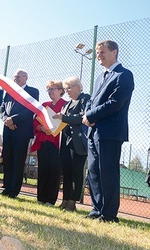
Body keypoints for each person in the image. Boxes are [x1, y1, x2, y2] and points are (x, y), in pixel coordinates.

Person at [82, 40, 134, 223]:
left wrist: (91, 115)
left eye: (102, 52)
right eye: (97, 52)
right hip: (93, 132)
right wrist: (87, 114)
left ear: (114, 52)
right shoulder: (100, 77)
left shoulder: (124, 75)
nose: (99, 56)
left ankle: (109, 214)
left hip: (110, 132)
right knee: (94, 172)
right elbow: (92, 100)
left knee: (108, 172)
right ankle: (97, 209)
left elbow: (115, 103)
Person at [0, 69, 39, 199]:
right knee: (7, 158)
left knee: (18, 160)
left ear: (25, 78)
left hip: (21, 131)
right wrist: (6, 119)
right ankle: (6, 187)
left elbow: (30, 110)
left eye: (19, 77)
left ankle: (14, 190)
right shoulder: (9, 91)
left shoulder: (33, 91)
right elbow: (2, 108)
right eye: (15, 76)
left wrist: (13, 119)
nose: (16, 79)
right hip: (7, 129)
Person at [53, 76, 90, 211]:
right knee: (67, 172)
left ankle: (72, 202)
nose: (67, 90)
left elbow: (82, 117)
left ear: (78, 87)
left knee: (76, 171)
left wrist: (64, 117)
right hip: (66, 142)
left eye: (69, 87)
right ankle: (65, 199)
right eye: (65, 88)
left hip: (78, 142)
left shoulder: (85, 99)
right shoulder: (66, 104)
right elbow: (62, 121)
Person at [32, 80, 66, 206]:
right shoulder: (44, 105)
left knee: (55, 171)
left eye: (53, 89)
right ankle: (40, 198)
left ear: (61, 91)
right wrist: (41, 128)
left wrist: (52, 130)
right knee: (43, 170)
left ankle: (51, 200)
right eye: (49, 89)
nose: (50, 92)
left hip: (57, 143)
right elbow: (36, 121)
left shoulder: (66, 105)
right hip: (44, 142)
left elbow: (66, 123)